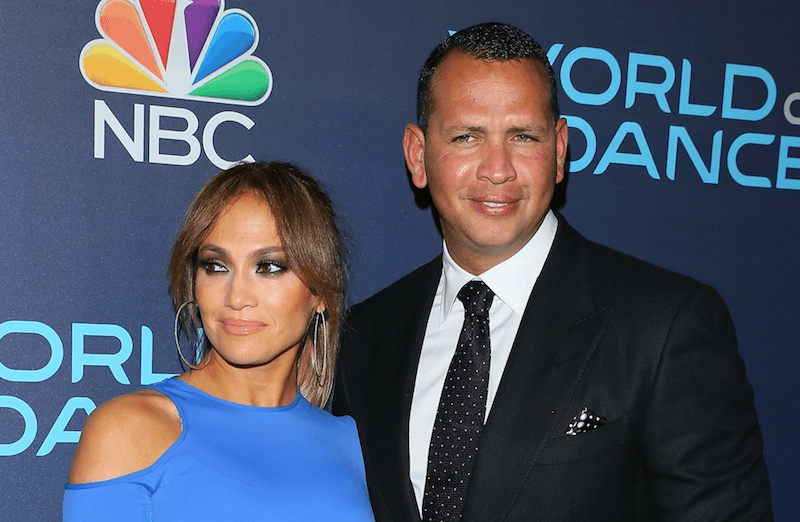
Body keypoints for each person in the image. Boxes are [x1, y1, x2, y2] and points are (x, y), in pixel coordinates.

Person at [333, 22, 773, 521]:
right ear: (418, 156)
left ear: (559, 151)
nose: (497, 169)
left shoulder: (664, 326)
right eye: (466, 136)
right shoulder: (363, 338)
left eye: (523, 136)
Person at [64, 161, 375, 521]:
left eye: (269, 267)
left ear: (319, 292)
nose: (236, 296)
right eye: (215, 266)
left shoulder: (354, 444)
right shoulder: (130, 429)